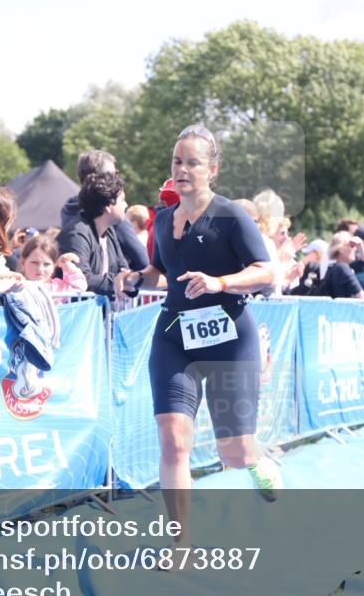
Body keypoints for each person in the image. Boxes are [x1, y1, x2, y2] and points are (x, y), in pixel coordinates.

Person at [117, 124, 278, 545]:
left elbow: (266, 271)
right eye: (177, 162)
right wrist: (136, 278)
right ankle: (180, 541)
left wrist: (219, 282)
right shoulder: (163, 218)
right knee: (173, 440)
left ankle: (257, 459)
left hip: (228, 339)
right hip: (175, 337)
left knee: (234, 453)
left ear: (212, 169)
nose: (182, 169)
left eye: (192, 162)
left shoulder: (231, 216)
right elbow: (159, 272)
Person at [60, 150, 149, 271]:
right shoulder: (111, 218)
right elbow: (143, 261)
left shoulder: (68, 209)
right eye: (114, 175)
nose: (117, 179)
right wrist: (127, 280)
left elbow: (122, 265)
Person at [58, 172, 135, 300]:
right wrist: (121, 282)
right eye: (122, 200)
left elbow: (123, 268)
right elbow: (82, 279)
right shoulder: (76, 234)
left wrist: (130, 280)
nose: (126, 205)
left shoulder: (109, 232)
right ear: (108, 206)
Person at [18, 234, 87, 295]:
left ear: (54, 265)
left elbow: (79, 288)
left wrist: (69, 269)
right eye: (34, 263)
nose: (40, 269)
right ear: (22, 262)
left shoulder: (57, 287)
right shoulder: (15, 286)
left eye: (46, 264)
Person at [315, 231, 364, 299]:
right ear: (341, 249)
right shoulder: (343, 268)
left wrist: (361, 246)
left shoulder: (334, 268)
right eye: (352, 245)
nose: (355, 249)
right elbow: (361, 297)